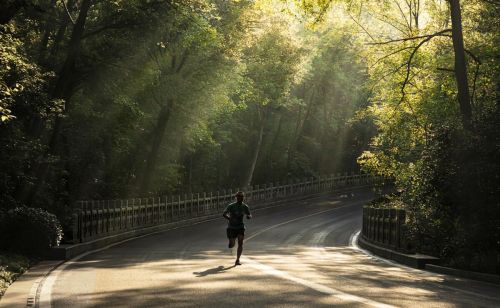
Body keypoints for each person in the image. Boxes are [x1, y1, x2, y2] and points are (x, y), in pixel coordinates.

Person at [223, 191, 252, 266]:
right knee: (232, 245)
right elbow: (224, 214)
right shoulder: (231, 206)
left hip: (240, 227)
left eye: (242, 197)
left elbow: (249, 214)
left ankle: (237, 260)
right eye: (239, 196)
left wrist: (249, 216)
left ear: (243, 198)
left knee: (240, 242)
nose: (240, 198)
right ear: (236, 197)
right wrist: (230, 219)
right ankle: (231, 242)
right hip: (231, 227)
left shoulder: (245, 206)